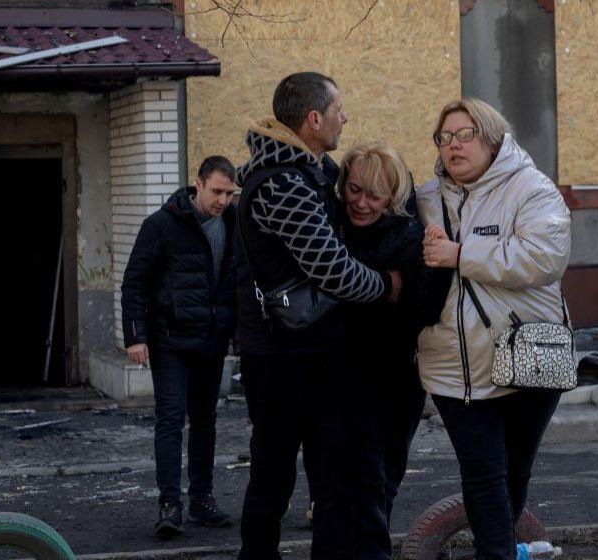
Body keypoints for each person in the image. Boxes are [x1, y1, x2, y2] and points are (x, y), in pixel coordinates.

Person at [234, 71, 400, 560]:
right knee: (275, 476)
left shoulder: (308, 171)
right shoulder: (284, 183)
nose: (344, 118)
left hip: (314, 349)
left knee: (330, 475)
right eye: (338, 110)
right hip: (284, 355)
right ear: (314, 118)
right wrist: (388, 286)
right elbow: (334, 271)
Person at [417, 98, 571, 560]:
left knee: (514, 470)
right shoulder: (425, 198)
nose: (453, 146)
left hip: (527, 356)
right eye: (445, 138)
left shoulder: (531, 190)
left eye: (464, 135)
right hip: (452, 363)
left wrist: (462, 255)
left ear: (491, 138)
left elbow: (544, 257)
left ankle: (498, 548)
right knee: (482, 471)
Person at [333, 143, 450, 556]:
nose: (361, 203)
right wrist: (384, 286)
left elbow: (423, 307)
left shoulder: (407, 234)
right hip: (341, 369)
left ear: (394, 197)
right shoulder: (332, 223)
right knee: (353, 479)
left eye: (374, 196)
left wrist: (362, 291)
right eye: (354, 189)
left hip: (393, 374)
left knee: (381, 478)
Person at [120, 155, 239, 538]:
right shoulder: (162, 224)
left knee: (205, 421)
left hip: (212, 338)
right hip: (170, 339)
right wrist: (136, 336)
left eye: (229, 192)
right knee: (171, 421)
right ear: (199, 184)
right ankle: (169, 504)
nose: (222, 200)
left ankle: (201, 499)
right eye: (217, 191)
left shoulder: (234, 223)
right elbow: (134, 282)